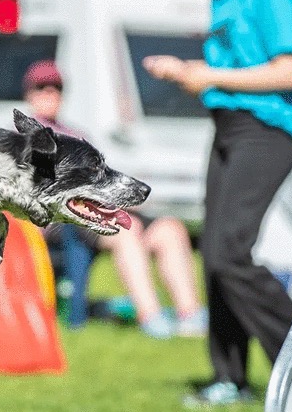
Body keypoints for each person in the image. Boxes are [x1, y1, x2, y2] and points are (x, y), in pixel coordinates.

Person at [145, 0, 292, 405]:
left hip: (266, 131)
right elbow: (229, 68)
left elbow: (288, 72)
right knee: (214, 258)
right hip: (226, 129)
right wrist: (186, 72)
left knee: (231, 254)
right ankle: (229, 379)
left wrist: (208, 74)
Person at [23, 60, 208, 339]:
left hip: (103, 206)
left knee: (170, 228)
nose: (50, 94)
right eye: (42, 89)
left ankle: (190, 314)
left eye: (55, 88)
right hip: (65, 219)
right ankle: (152, 316)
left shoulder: (78, 135)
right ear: (29, 95)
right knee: (127, 233)